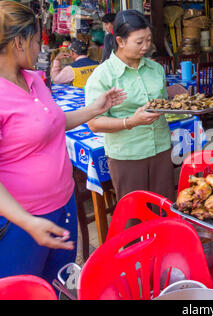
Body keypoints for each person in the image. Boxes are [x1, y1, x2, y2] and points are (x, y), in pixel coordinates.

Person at [0, 0, 126, 283]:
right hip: (21, 223)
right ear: (18, 42)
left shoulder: (34, 79)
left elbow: (53, 123)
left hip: (63, 205)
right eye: (35, 41)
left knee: (57, 284)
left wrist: (95, 108)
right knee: (25, 289)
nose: (40, 49)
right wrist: (27, 222)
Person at [85, 10, 175, 207]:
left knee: (165, 209)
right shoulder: (103, 76)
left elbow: (163, 103)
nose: (146, 46)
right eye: (139, 42)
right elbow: (94, 123)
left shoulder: (156, 69)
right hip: (128, 155)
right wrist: (130, 122)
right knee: (134, 215)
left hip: (160, 148)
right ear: (120, 41)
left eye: (148, 40)